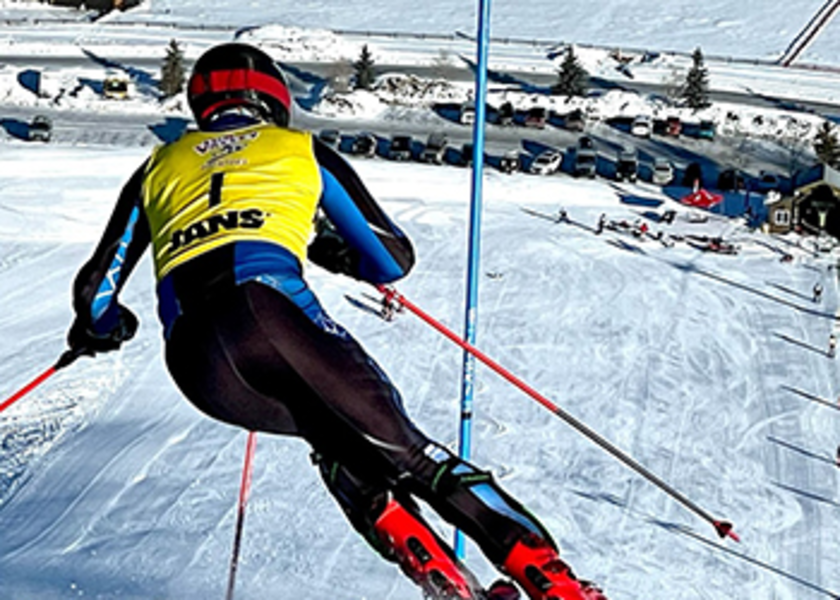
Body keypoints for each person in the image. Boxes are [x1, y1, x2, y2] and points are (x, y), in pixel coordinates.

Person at [64, 43, 607, 600]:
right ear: (274, 98)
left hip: (197, 365)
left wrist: (106, 329)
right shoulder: (299, 148)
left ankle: (437, 574)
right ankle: (551, 580)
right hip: (270, 316)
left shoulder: (157, 166)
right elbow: (390, 258)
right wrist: (331, 252)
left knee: (333, 439)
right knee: (410, 453)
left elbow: (95, 291)